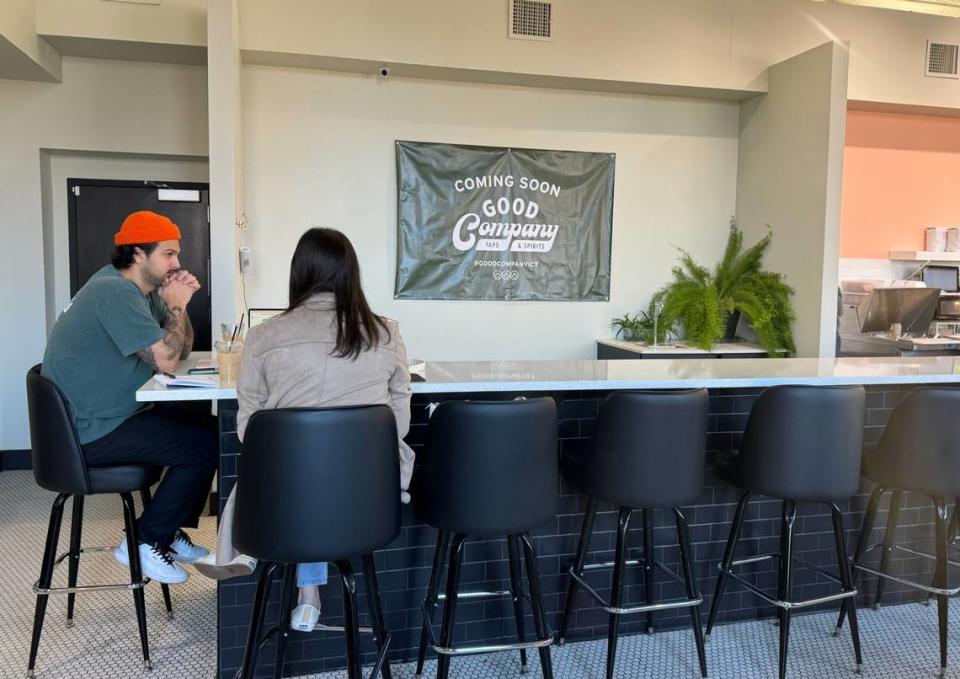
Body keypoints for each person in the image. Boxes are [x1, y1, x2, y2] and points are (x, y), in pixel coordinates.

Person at [196, 227, 413, 634]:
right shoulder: (386, 333)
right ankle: (307, 594)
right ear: (352, 274)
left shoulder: (263, 337)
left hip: (286, 502)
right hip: (369, 499)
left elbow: (248, 430)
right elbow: (398, 422)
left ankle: (273, 570)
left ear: (299, 273)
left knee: (305, 475)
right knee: (322, 475)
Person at [41, 210, 218, 585]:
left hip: (114, 416)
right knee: (204, 447)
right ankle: (144, 539)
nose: (177, 263)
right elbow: (167, 360)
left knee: (212, 428)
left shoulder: (140, 292)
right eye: (168, 254)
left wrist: (174, 303)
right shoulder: (115, 292)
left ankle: (166, 531)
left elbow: (179, 350)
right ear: (138, 253)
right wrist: (178, 304)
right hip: (90, 431)